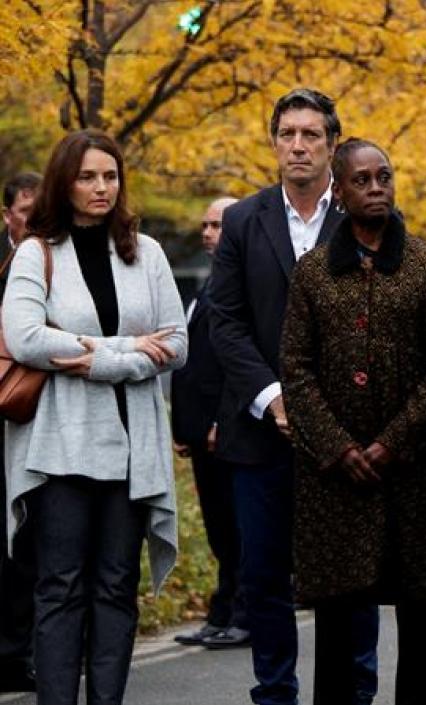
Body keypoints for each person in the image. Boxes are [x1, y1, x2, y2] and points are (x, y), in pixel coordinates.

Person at [3, 129, 187, 704]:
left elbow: (177, 343)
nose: (101, 187)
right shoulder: (37, 252)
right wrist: (126, 352)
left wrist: (90, 356)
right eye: (87, 176)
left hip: (134, 446)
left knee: (116, 587)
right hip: (63, 447)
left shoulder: (146, 250)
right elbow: (27, 339)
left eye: (109, 175)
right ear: (65, 181)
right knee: (60, 588)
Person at [282, 138, 426, 705]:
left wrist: (392, 443)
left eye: (384, 176)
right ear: (339, 191)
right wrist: (338, 447)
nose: (376, 188)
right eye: (362, 180)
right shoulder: (313, 273)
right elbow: (295, 367)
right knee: (337, 615)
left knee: (417, 612)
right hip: (333, 476)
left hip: (414, 471)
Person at [209, 88, 379, 705]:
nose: (299, 146)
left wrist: (334, 410)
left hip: (348, 432)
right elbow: (223, 320)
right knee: (263, 576)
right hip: (262, 430)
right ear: (275, 143)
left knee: (352, 576)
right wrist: (275, 398)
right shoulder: (242, 221)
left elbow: (384, 315)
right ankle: (275, 692)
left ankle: (355, 691)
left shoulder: (366, 214)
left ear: (333, 145)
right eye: (288, 135)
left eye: (312, 135)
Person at [171, 197, 251, 650]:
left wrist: (224, 419)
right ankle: (221, 613)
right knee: (218, 528)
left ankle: (243, 616)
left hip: (228, 432)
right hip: (201, 434)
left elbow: (235, 363)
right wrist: (185, 426)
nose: (207, 233)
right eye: (203, 224)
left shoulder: (240, 284)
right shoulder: (208, 285)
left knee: (236, 528)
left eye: (217, 225)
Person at [0, 171, 40, 693]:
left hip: (28, 407)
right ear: (8, 214)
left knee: (25, 535)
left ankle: (18, 650)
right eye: (23, 209)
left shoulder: (55, 259)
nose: (32, 218)